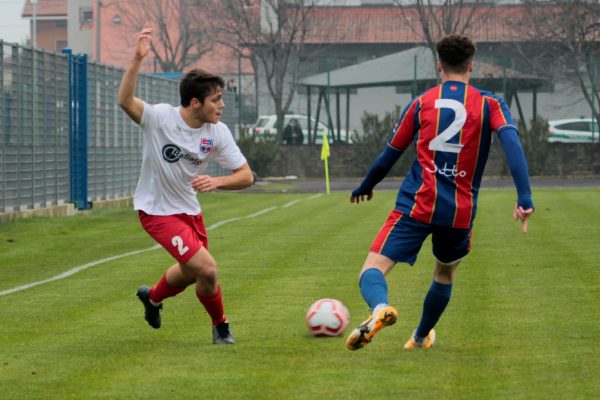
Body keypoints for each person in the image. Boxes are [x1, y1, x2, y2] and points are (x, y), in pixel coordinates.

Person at [345, 34, 534, 351]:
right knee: (444, 273)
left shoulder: (421, 103)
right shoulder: (491, 104)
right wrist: (524, 197)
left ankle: (380, 309)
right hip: (458, 212)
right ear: (471, 65)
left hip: (416, 205)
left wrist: (366, 185)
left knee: (372, 270)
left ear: (439, 66)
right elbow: (512, 144)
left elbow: (390, 154)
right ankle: (419, 337)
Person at [117, 25, 254, 345]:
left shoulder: (216, 132)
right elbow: (125, 101)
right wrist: (137, 59)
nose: (221, 106)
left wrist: (218, 180)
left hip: (188, 210)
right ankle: (221, 326)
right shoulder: (161, 118)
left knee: (192, 272)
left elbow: (247, 176)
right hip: (156, 210)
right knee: (207, 269)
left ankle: (152, 298)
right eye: (215, 100)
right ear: (195, 103)